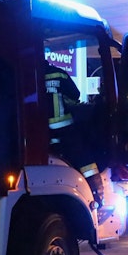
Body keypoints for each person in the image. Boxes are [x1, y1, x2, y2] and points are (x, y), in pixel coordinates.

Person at [44, 61, 107, 218]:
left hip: (42, 133)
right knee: (85, 160)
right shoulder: (59, 73)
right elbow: (75, 94)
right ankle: (97, 197)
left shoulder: (29, 75)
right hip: (64, 129)